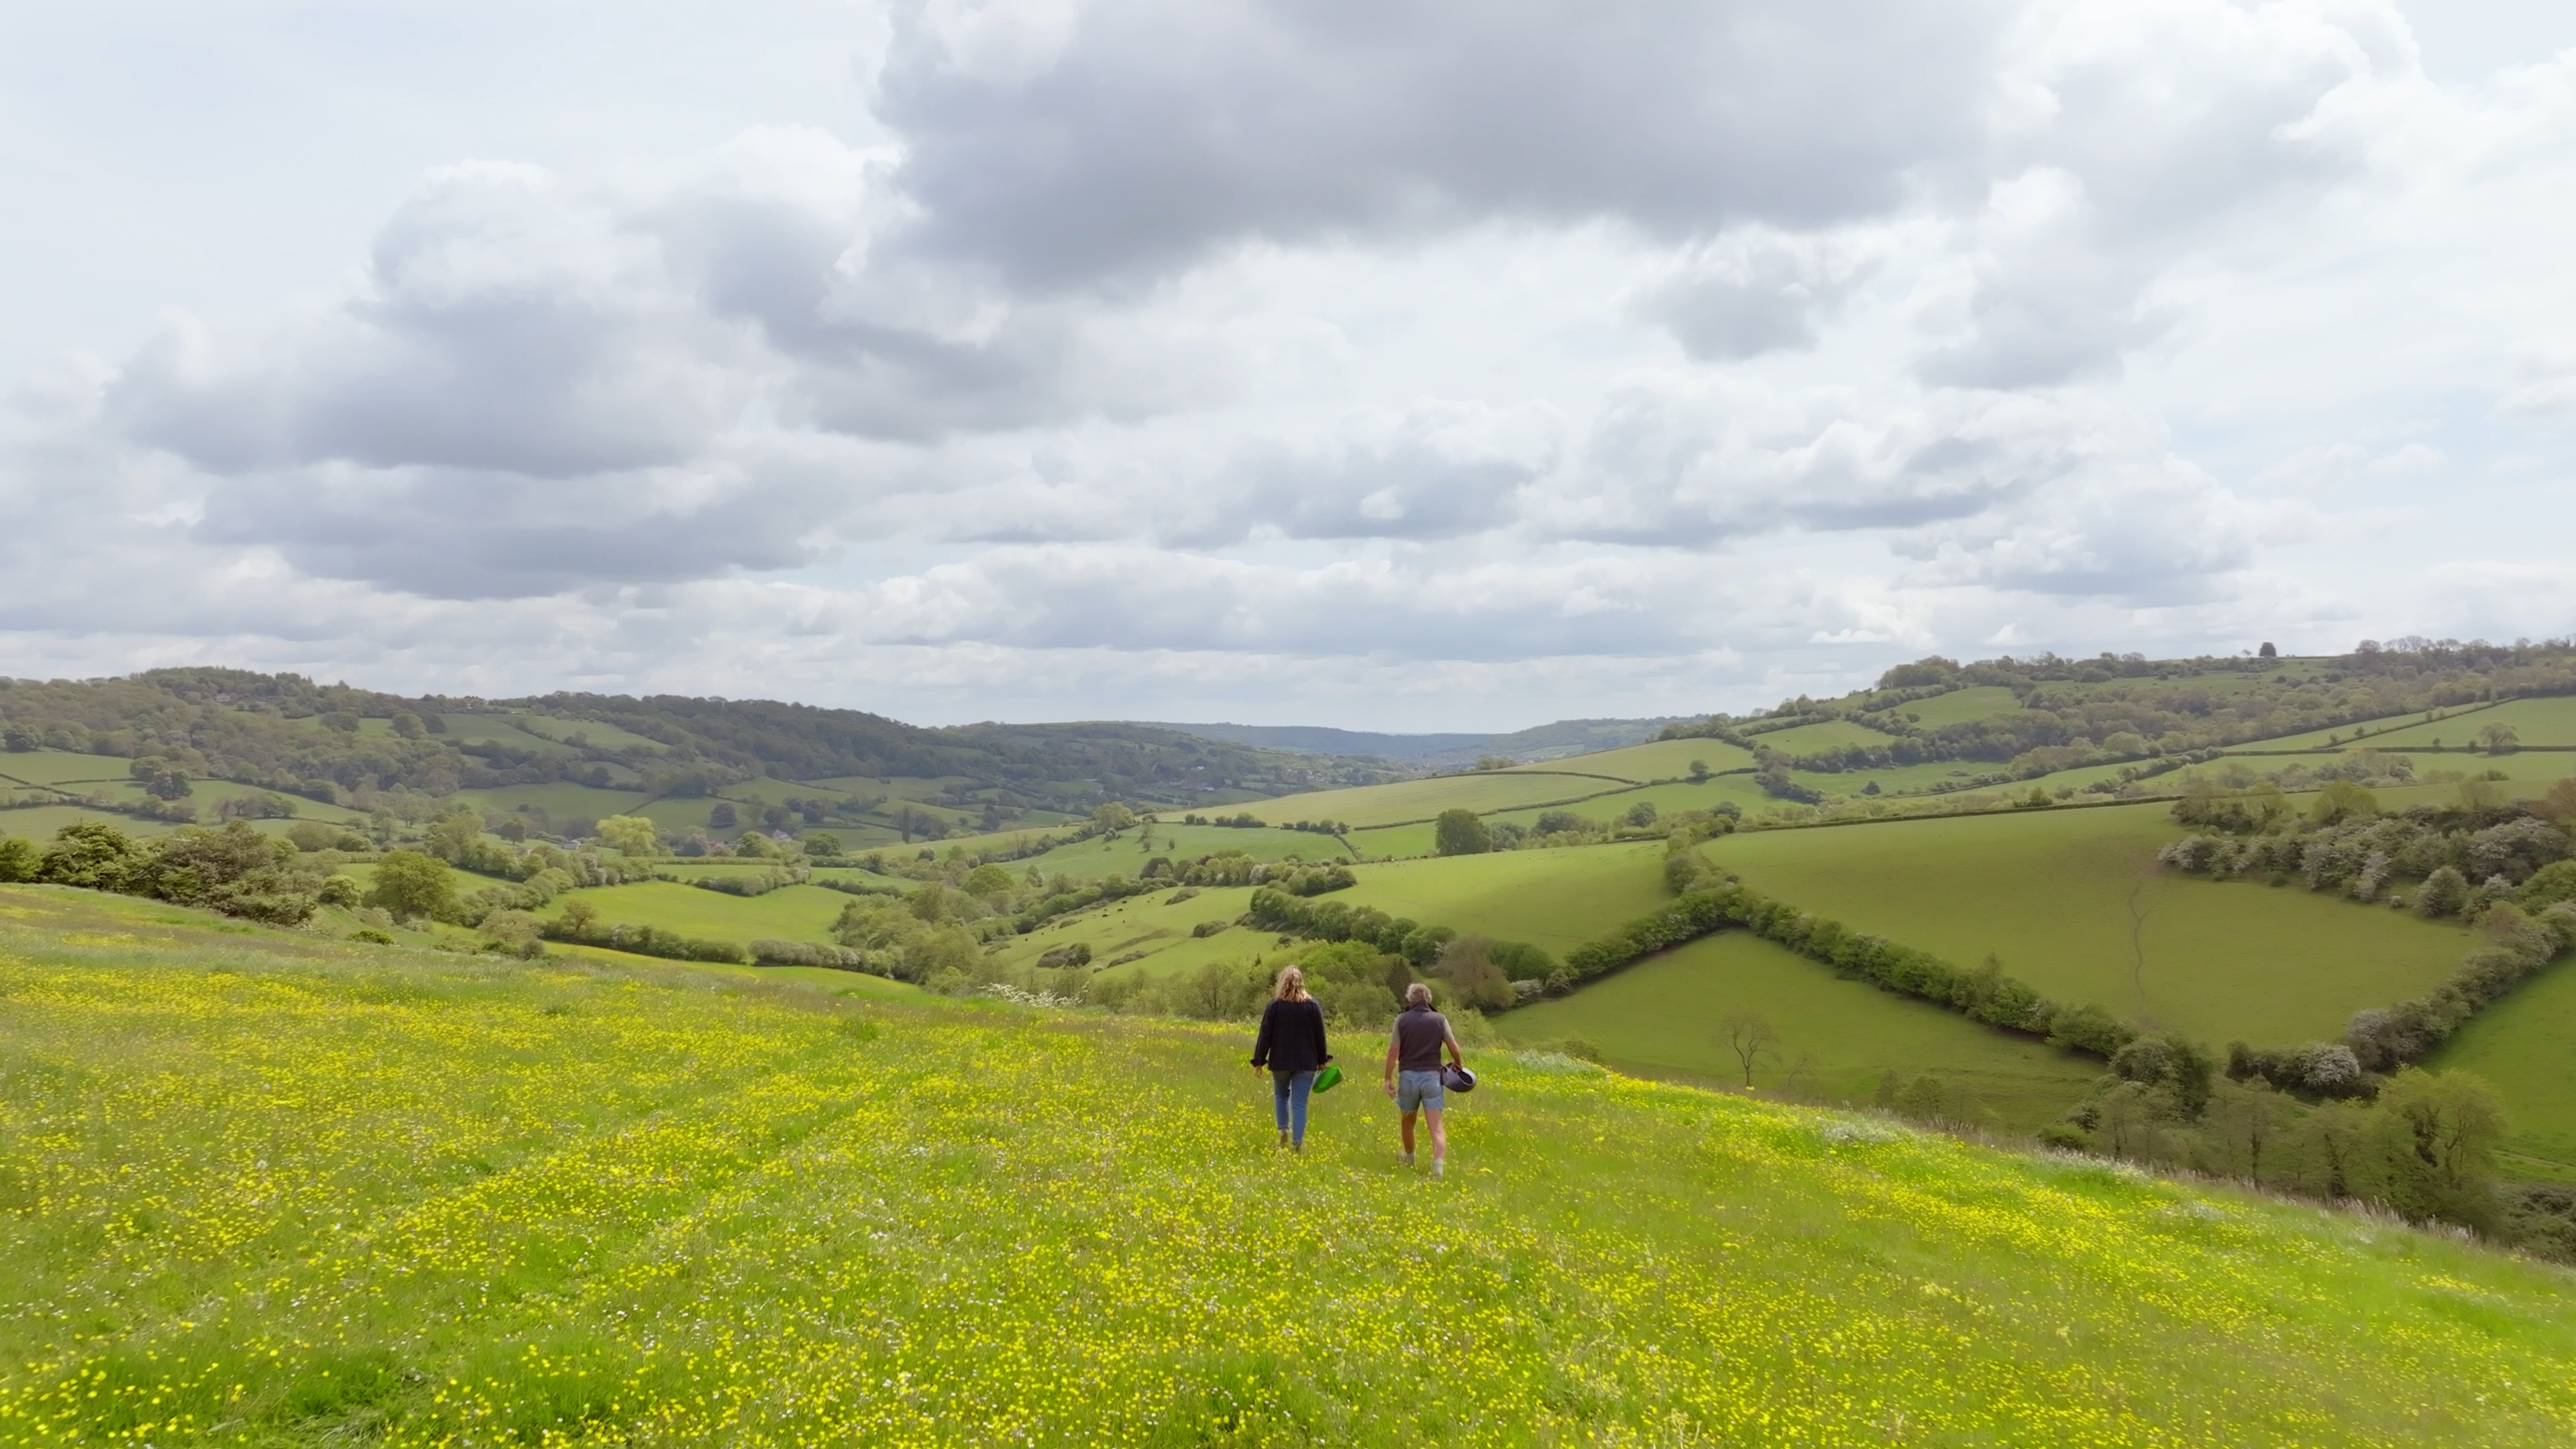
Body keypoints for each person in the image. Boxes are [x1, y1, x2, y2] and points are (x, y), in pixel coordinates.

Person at [1383, 983, 1464, 1177]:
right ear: (1428, 999)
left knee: (1408, 1122)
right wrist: (1458, 1063)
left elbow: (1393, 1051)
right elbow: (1454, 1048)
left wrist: (1387, 1078)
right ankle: (1438, 1169)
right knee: (1436, 1127)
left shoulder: (1401, 1020)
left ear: (1410, 999)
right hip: (1433, 1078)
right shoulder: (1440, 1019)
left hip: (1408, 1077)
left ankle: (1410, 1158)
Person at [1250, 965, 1330, 1150]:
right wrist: (1322, 1059)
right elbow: (1320, 1035)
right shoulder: (1312, 1006)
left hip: (1281, 1061)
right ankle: (1298, 1143)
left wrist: (1259, 1060)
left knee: (1281, 1095)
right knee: (1299, 1103)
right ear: (1301, 983)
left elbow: (1265, 1035)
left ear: (1282, 983)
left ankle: (1283, 1133)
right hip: (1306, 1062)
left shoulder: (1275, 1006)